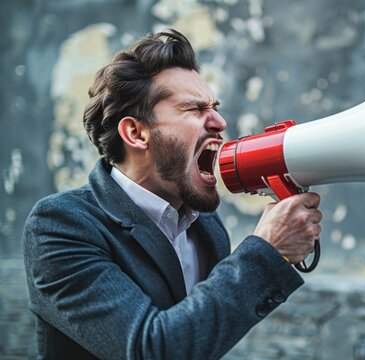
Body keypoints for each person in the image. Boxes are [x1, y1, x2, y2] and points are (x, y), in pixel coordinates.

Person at [22, 29, 322, 359]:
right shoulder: (59, 226)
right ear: (136, 133)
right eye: (195, 109)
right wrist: (265, 250)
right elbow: (153, 350)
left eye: (215, 107)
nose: (220, 122)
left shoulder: (206, 225)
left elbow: (202, 337)